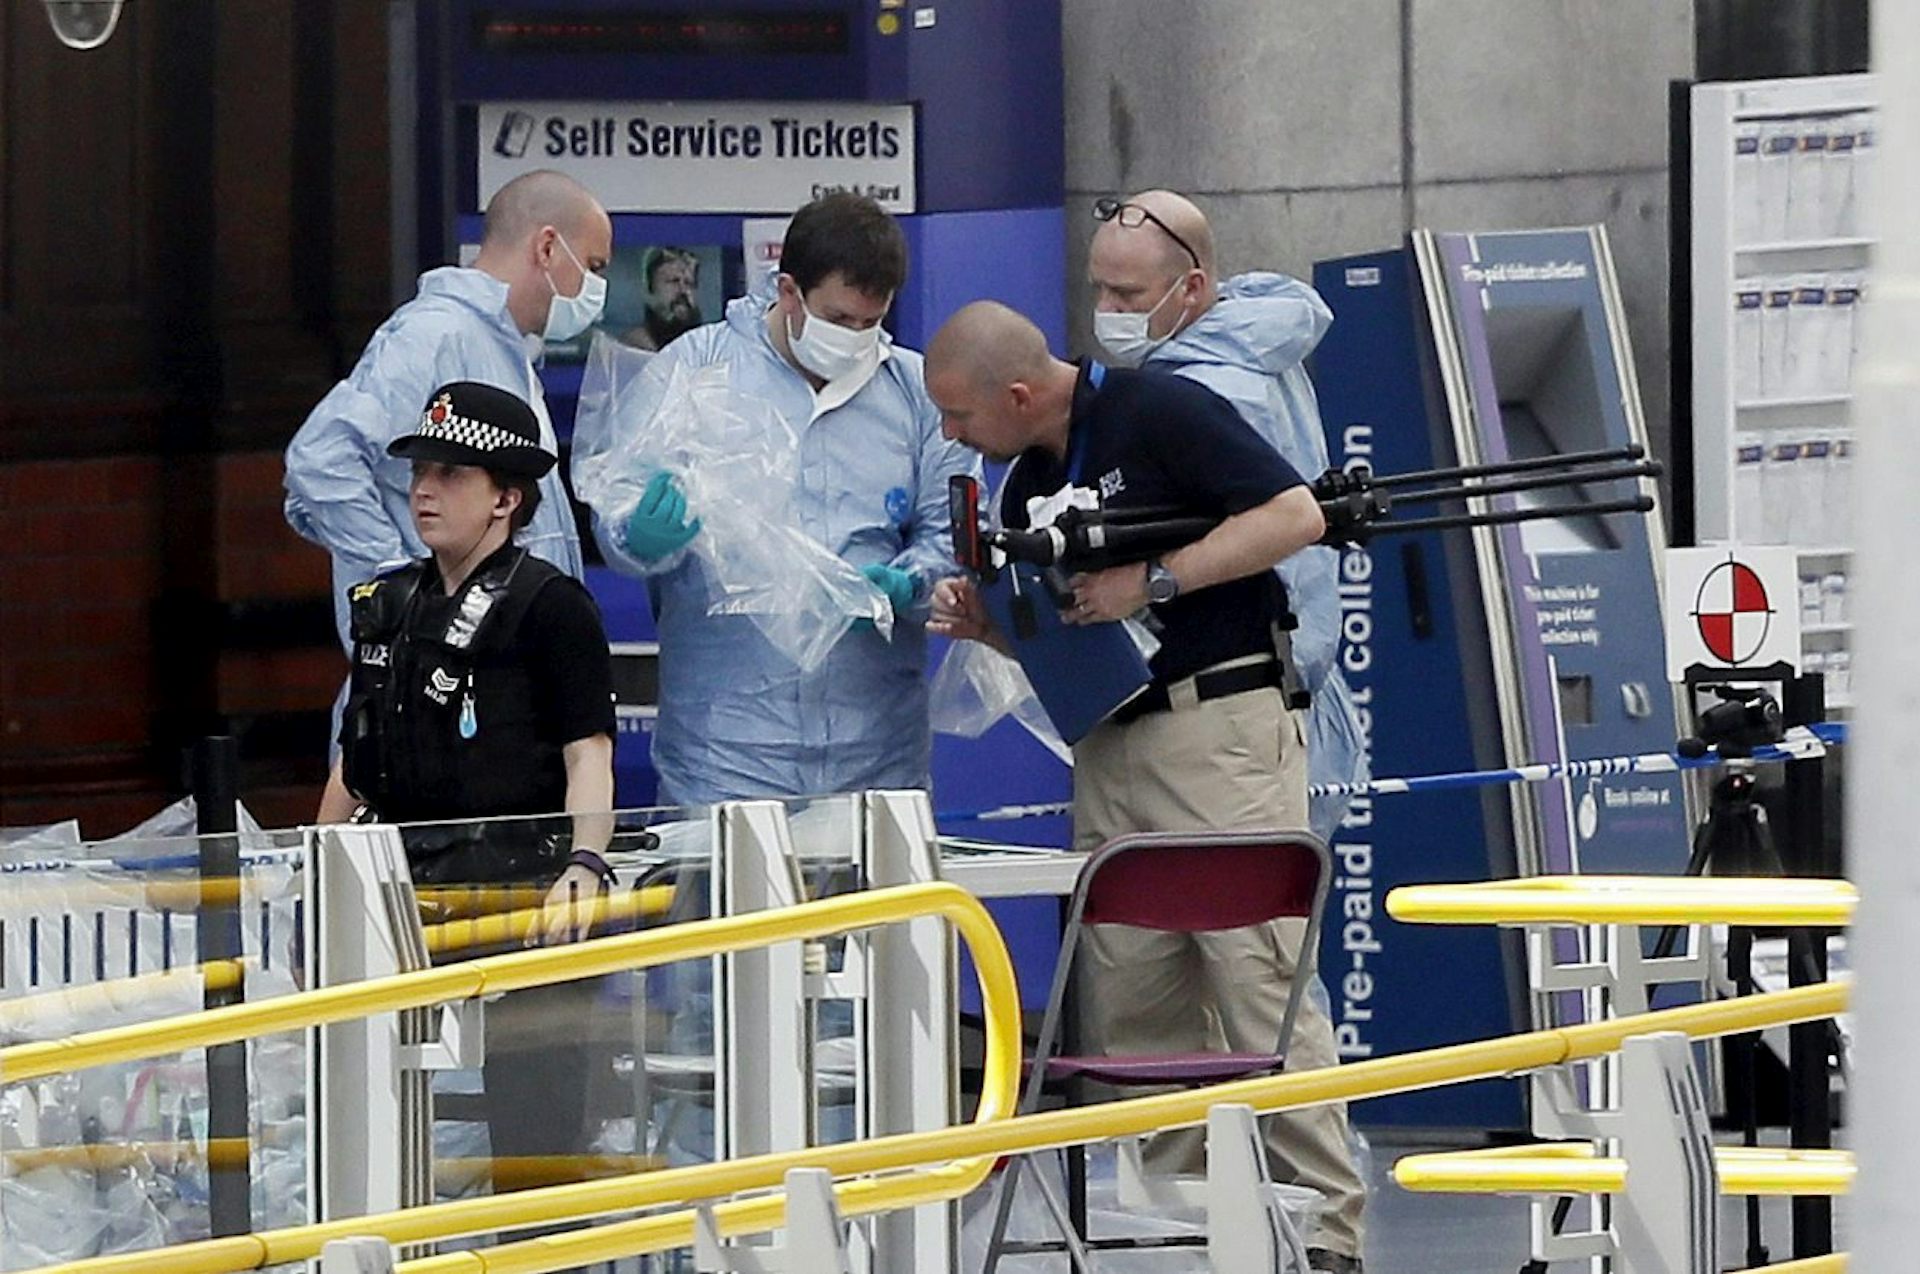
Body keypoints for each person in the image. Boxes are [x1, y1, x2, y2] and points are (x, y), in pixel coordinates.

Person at [925, 301, 1368, 1274]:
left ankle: (1329, 1235)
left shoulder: (1160, 411)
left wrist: (1156, 579)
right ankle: (1194, 1223)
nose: (952, 437)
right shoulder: (1023, 482)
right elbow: (1070, 626)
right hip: (1111, 741)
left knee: (1256, 978)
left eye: (959, 416)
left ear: (1016, 392)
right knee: (1133, 997)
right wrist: (991, 623)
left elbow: (1295, 514)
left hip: (1217, 724)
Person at [576, 192, 979, 805]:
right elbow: (617, 508)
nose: (855, 338)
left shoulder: (914, 395)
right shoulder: (697, 371)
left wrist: (910, 581)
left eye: (872, 323)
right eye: (840, 320)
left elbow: (953, 537)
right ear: (789, 292)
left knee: (879, 905)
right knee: (727, 903)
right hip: (724, 758)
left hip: (877, 760)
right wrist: (638, 532)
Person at [316, 379, 619, 1181]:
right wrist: (317, 871)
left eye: (451, 473)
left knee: (536, 1129)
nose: (424, 489)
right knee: (370, 1115)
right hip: (401, 894)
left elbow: (588, 752)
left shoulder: (552, 607)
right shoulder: (391, 602)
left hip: (522, 896)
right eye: (421, 470)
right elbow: (357, 756)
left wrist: (584, 864)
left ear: (505, 499)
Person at [1088, 188, 1367, 843]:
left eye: (1126, 296)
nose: (1107, 311)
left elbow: (1278, 543)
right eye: (1098, 289)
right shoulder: (1259, 331)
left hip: (1245, 705)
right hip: (1294, 695)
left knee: (1246, 929)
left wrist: (1146, 582)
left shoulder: (1206, 391)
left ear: (1190, 288)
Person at [285, 169, 612, 648]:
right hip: (437, 685)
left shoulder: (504, 352)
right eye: (594, 265)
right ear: (547, 248)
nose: (596, 290)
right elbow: (321, 460)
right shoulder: (436, 337)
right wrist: (400, 584)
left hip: (496, 680)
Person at [622, 246, 703, 351]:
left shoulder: (707, 349)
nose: (684, 290)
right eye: (674, 281)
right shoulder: (629, 348)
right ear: (650, 289)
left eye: (689, 283)